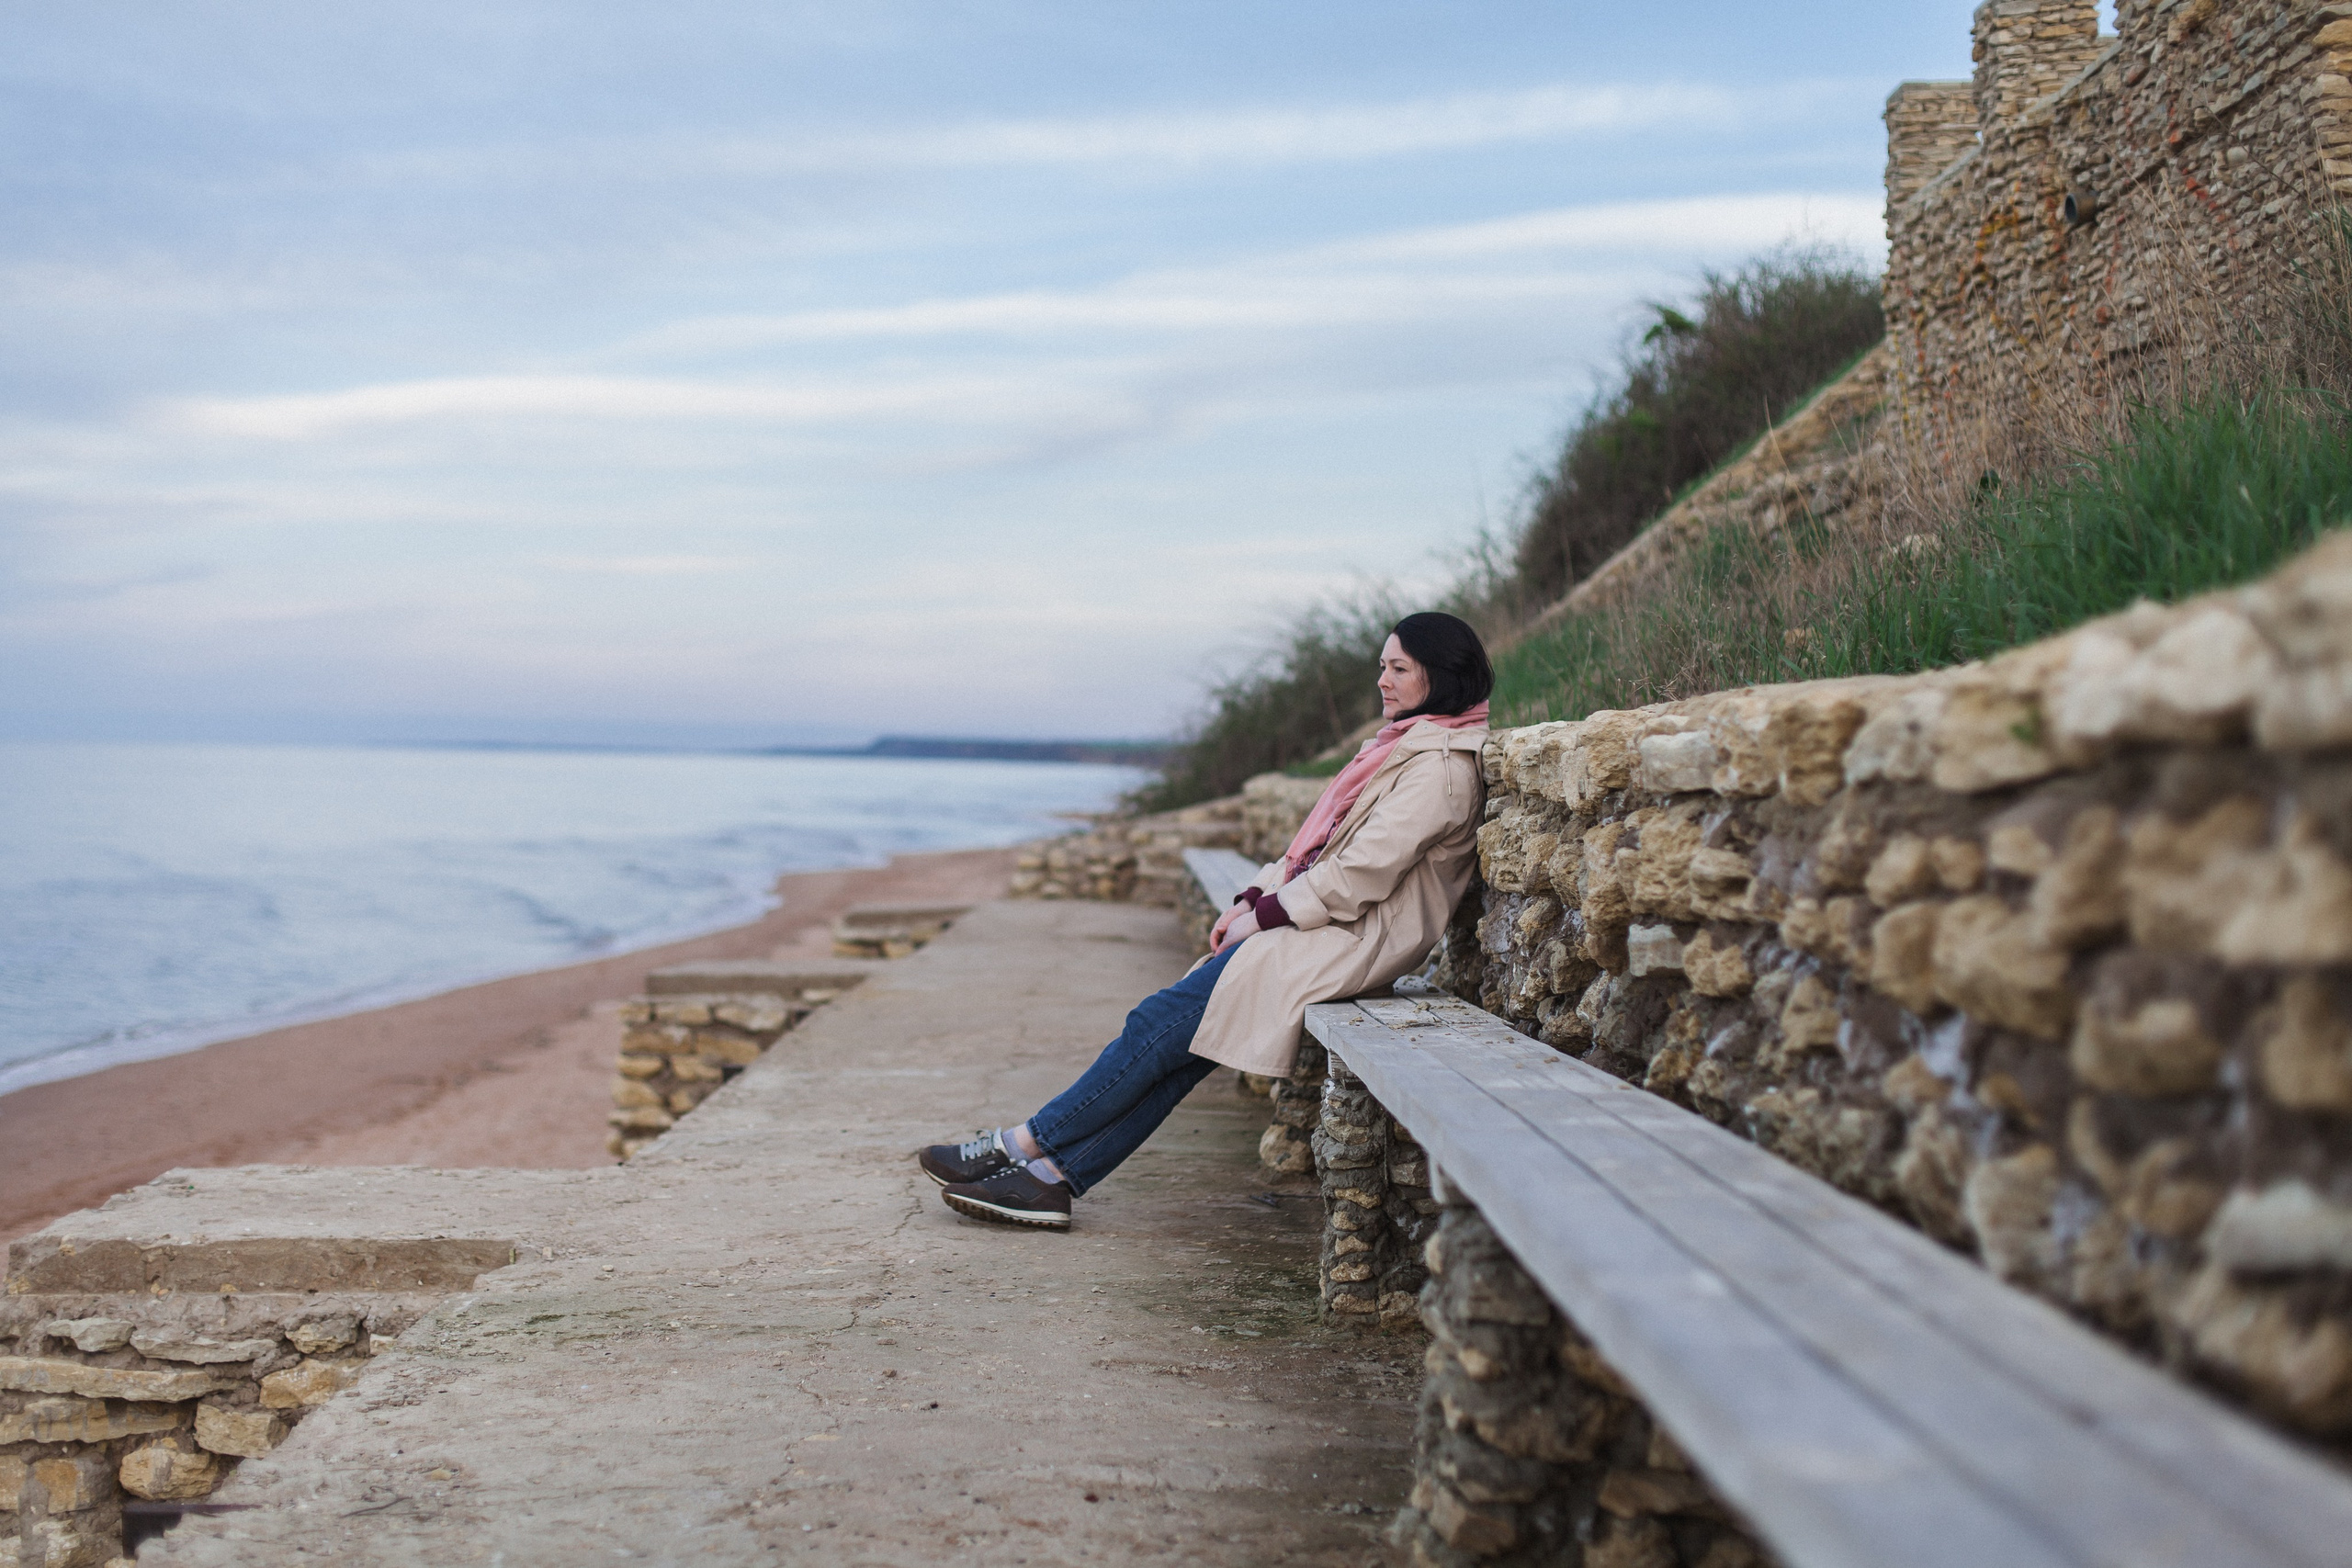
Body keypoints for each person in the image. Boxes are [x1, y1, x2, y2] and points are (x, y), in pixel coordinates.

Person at [916, 612, 1493, 1228]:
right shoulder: (1406, 749)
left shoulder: (1441, 770)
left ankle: (1022, 1145)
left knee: (1158, 1025)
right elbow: (1318, 850)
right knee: (1182, 1048)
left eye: (1397, 667)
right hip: (1328, 928)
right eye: (1382, 664)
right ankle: (1049, 1180)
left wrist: (1266, 916)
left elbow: (1359, 874)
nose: (1382, 679)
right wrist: (1253, 897)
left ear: (1440, 674)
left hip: (1351, 938)